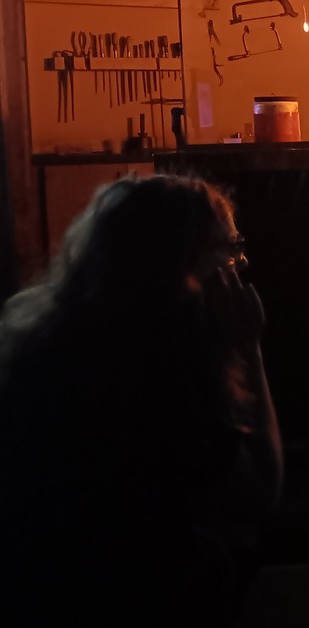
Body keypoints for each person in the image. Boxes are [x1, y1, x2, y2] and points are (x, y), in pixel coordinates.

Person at [0, 173, 282, 628]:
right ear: (180, 265)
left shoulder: (47, 338)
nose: (241, 261)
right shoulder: (158, 368)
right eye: (227, 250)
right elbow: (261, 492)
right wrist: (248, 346)